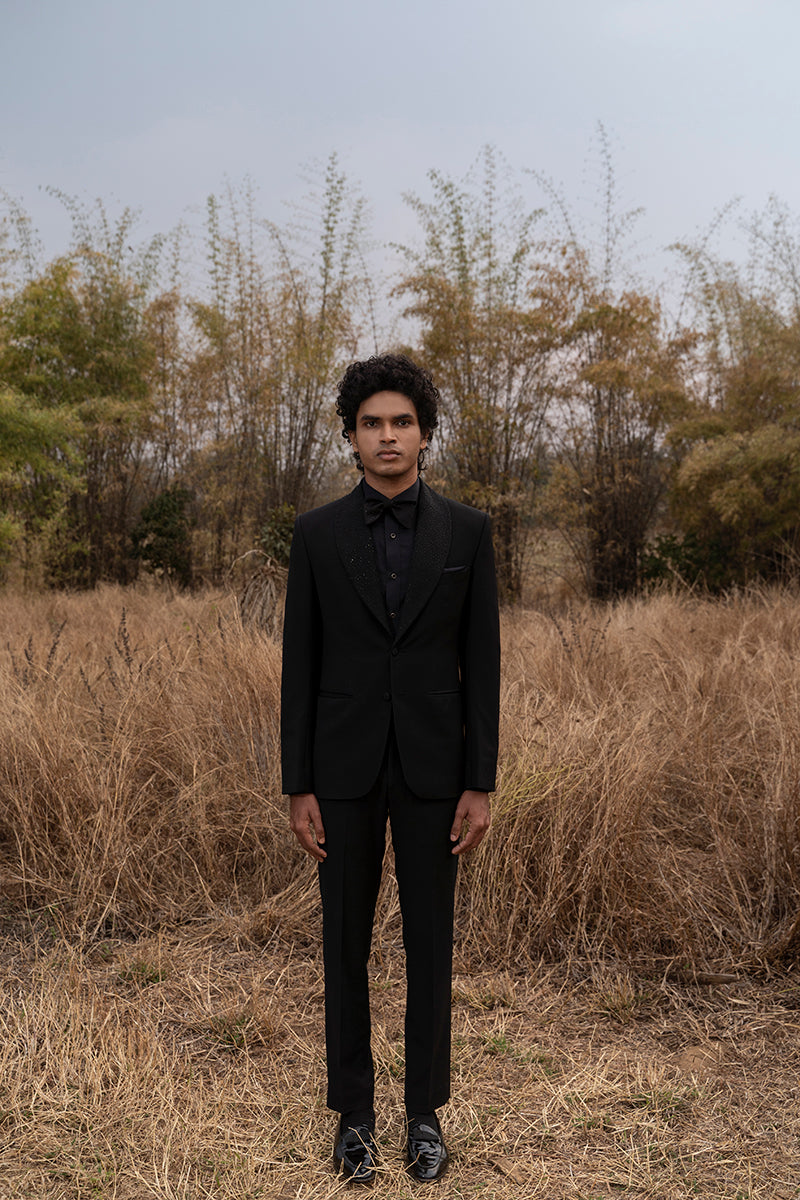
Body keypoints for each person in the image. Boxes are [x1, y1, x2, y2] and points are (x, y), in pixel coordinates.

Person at [281, 353, 500, 1184]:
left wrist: (481, 780)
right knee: (344, 944)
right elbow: (298, 668)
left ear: (426, 434)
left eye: (401, 421)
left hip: (437, 773)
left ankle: (424, 1116)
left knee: (429, 945)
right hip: (338, 773)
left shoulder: (469, 533)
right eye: (371, 422)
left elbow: (483, 667)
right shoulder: (317, 534)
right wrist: (296, 783)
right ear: (349, 436)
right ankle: (354, 1117)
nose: (386, 436)